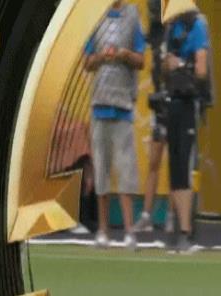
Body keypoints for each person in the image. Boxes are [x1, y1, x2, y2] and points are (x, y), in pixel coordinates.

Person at [84, 0, 146, 249]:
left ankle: (130, 231)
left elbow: (141, 60)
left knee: (126, 172)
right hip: (99, 104)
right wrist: (103, 57)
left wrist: (124, 55)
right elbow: (87, 62)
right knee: (101, 172)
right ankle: (103, 230)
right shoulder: (94, 18)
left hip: (123, 106)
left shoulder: (133, 16)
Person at [163, 6, 211, 252]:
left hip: (188, 103)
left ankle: (186, 230)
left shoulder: (197, 25)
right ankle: (179, 230)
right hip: (173, 101)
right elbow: (164, 66)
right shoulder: (171, 27)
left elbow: (201, 70)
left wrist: (180, 64)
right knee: (176, 167)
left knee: (184, 166)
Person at [134, 0, 175, 233]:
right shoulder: (157, 34)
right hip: (160, 105)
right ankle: (147, 215)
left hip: (178, 103)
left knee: (177, 164)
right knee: (154, 161)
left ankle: (171, 215)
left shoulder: (183, 31)